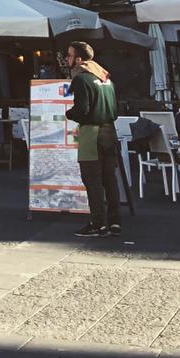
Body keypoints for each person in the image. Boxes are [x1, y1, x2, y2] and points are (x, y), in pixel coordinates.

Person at [63, 41, 120, 238]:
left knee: (92, 180)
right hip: (110, 131)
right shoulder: (106, 78)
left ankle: (98, 223)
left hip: (91, 134)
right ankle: (115, 222)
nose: (67, 59)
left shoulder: (81, 79)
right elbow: (115, 109)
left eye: (69, 55)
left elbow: (82, 109)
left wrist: (69, 114)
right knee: (109, 179)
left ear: (79, 59)